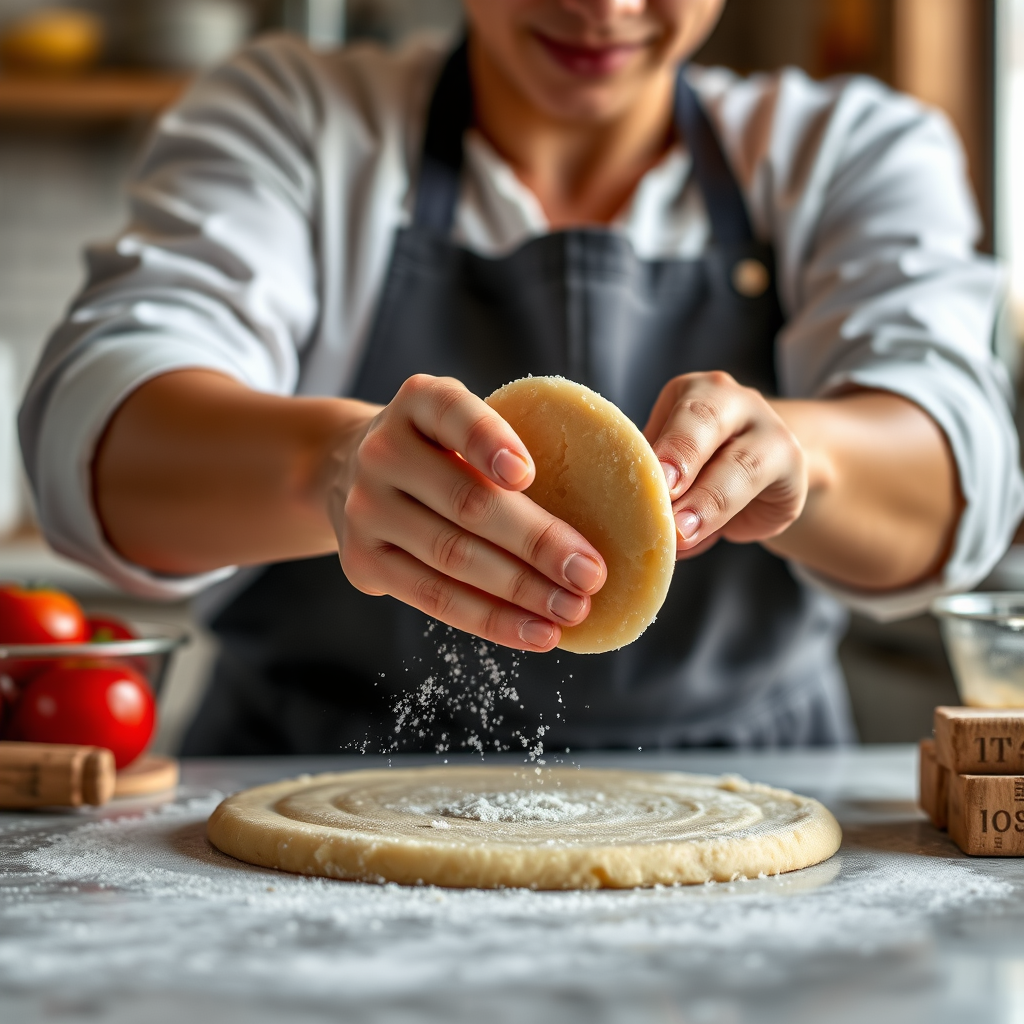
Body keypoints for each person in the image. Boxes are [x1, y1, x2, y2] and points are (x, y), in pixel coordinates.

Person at [19, 0, 1024, 754]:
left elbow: (957, 474)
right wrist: (332, 470)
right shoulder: (294, 118)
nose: (605, 6)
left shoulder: (848, 152)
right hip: (308, 772)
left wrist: (800, 459)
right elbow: (96, 430)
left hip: (750, 792)